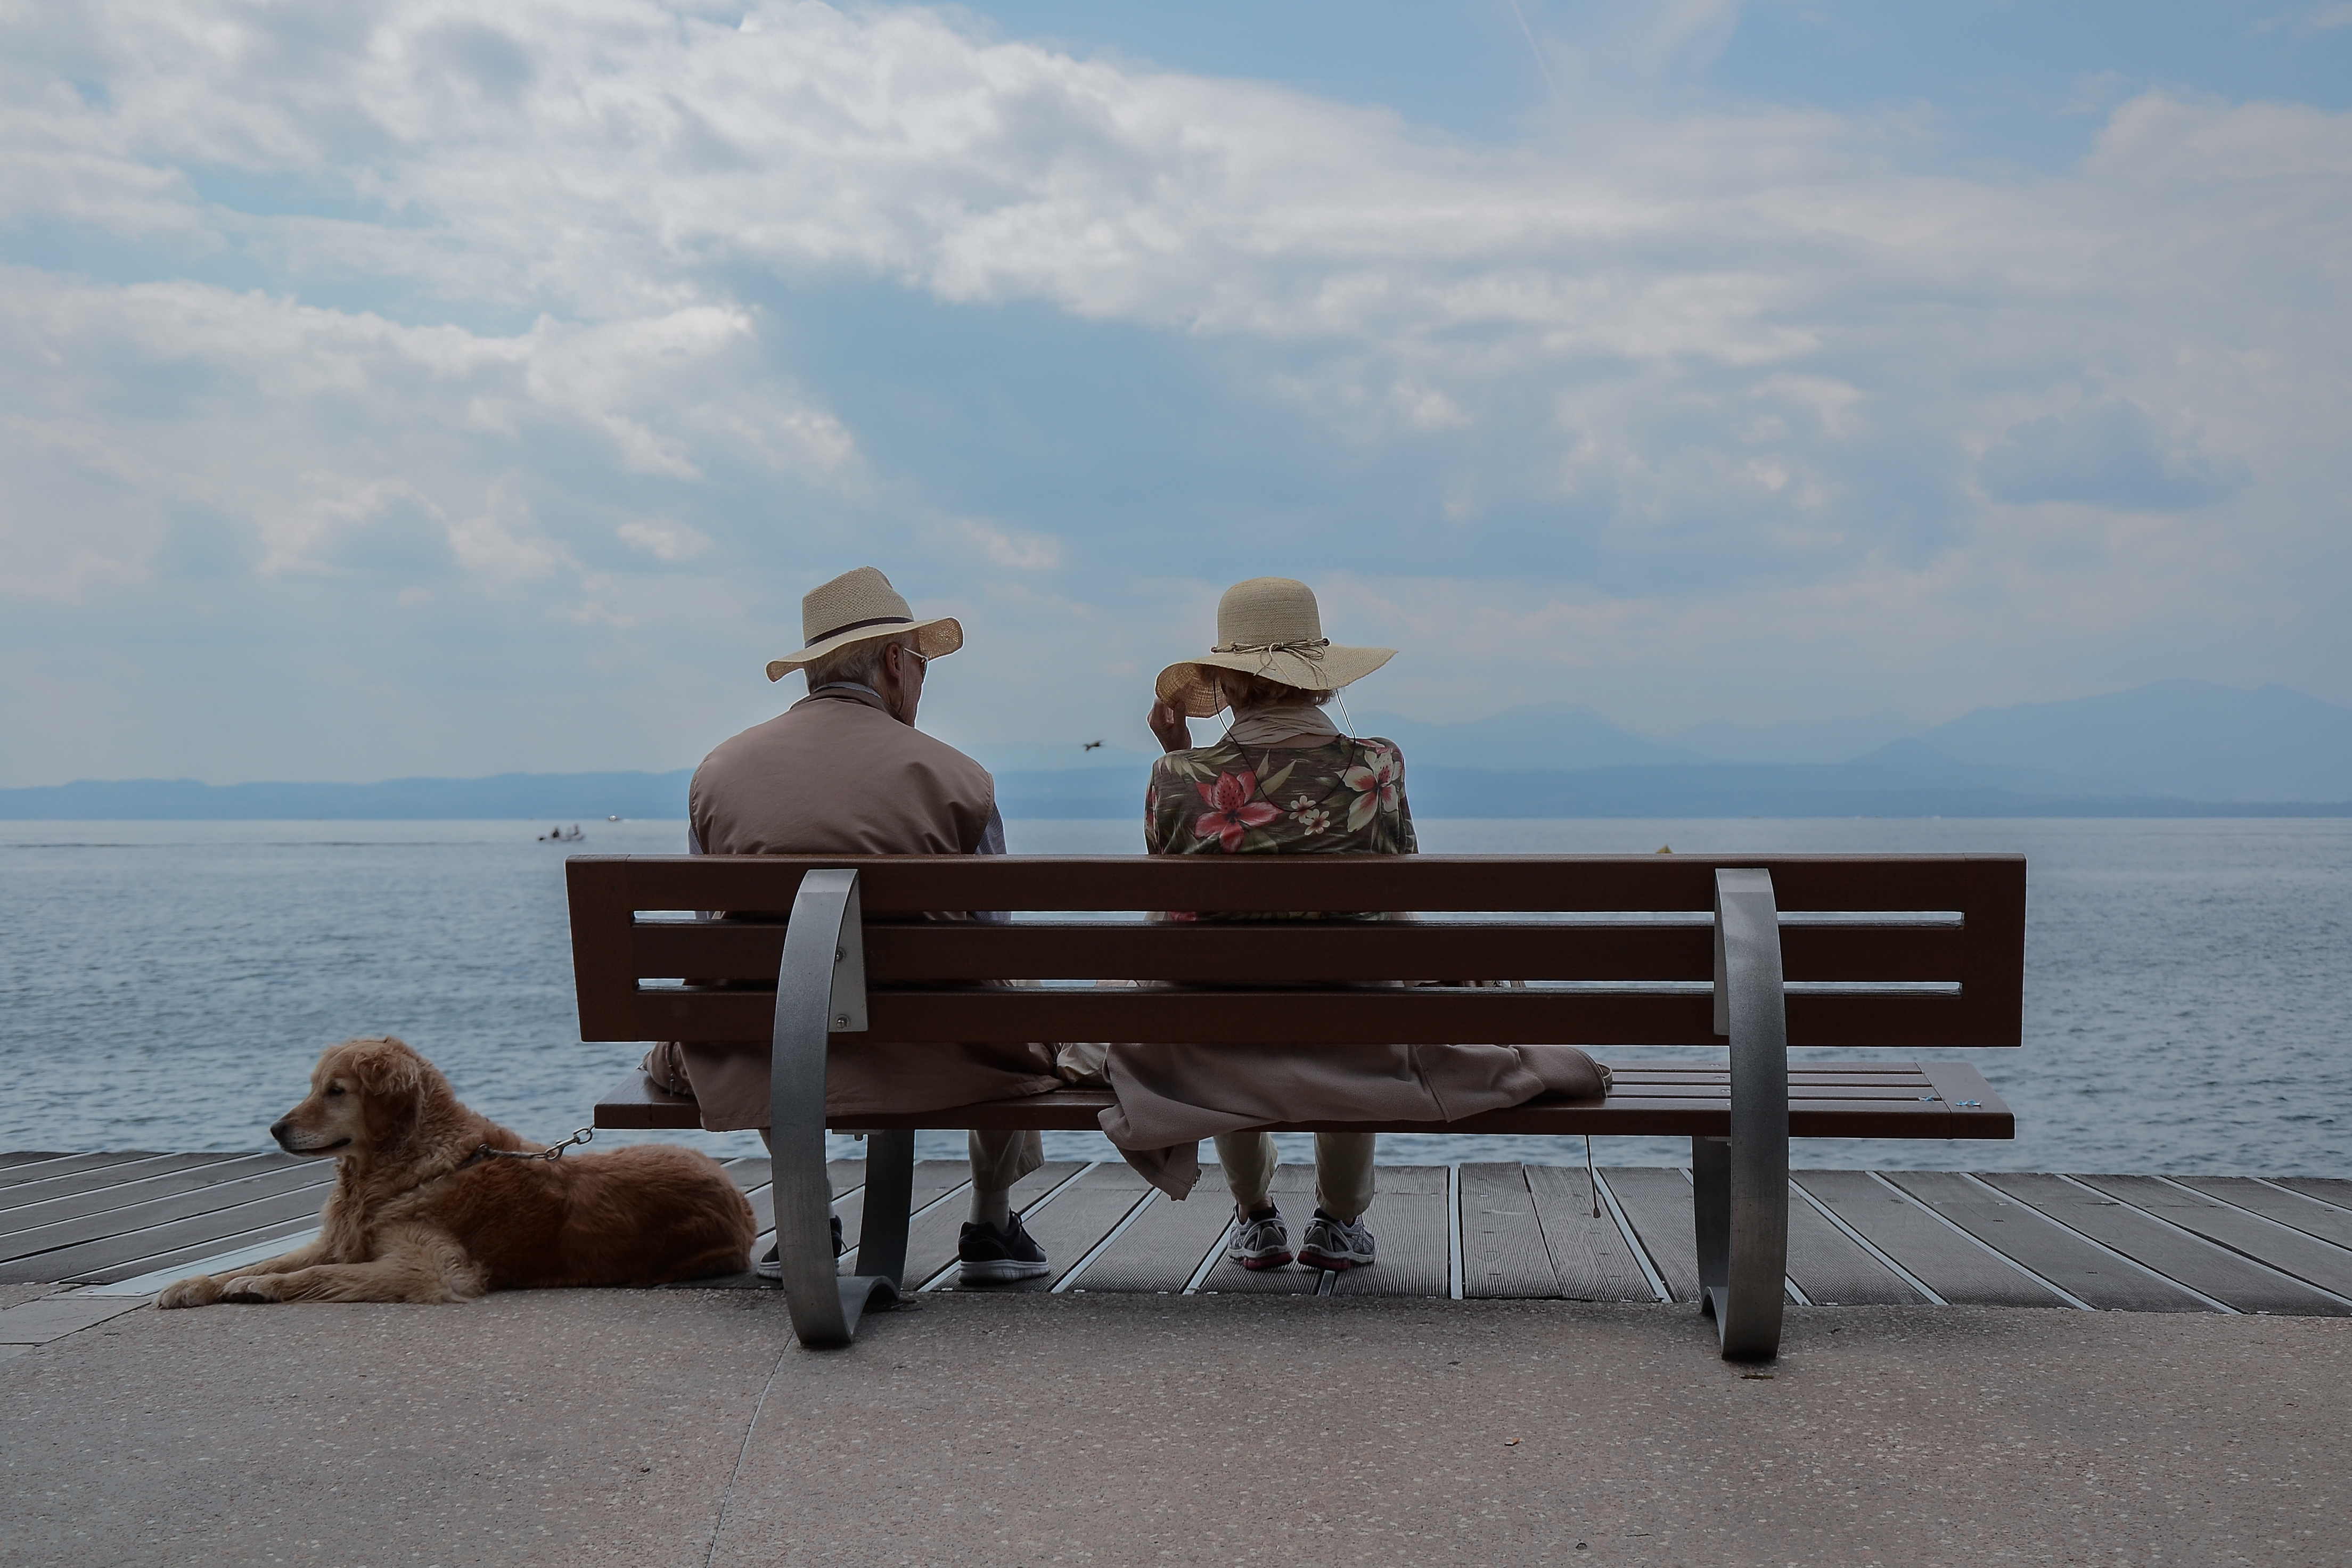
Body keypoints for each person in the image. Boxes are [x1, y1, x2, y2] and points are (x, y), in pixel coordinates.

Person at [1104, 576, 1610, 1273]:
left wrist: (1180, 753)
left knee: (1208, 999)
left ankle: (1254, 1216)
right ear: (1317, 674)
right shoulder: (1376, 764)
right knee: (1363, 992)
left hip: (1215, 1036)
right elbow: (1398, 908)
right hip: (1357, 1032)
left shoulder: (1175, 775)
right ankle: (1338, 1220)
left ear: (1225, 679)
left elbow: (1168, 923)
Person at [640, 566, 1061, 1286]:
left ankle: (809, 1213)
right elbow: (993, 938)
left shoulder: (718, 773)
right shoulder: (961, 778)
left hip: (758, 1051)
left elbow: (712, 931)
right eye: (922, 664)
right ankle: (991, 1220)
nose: (923, 683)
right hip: (938, 1052)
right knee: (1009, 990)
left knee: (753, 998)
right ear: (895, 663)